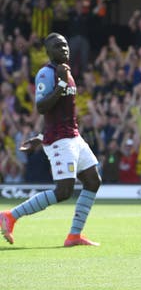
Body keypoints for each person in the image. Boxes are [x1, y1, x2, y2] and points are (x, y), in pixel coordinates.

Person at [1, 33, 102, 247]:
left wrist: (40, 136)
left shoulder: (65, 72)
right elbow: (41, 107)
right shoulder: (46, 74)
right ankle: (10, 216)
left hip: (73, 136)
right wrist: (61, 85)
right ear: (48, 51)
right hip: (60, 140)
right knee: (64, 191)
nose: (64, 49)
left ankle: (74, 236)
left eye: (65, 45)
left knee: (93, 180)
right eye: (58, 46)